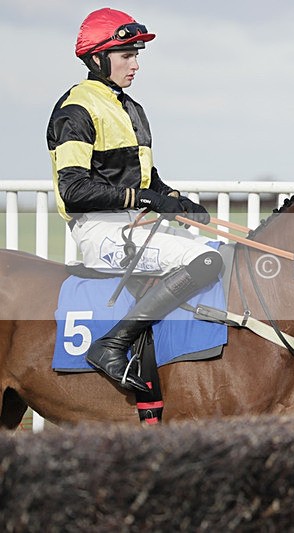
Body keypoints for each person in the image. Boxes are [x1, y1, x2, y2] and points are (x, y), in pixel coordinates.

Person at [47, 8, 222, 393]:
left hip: (133, 229)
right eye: (127, 54)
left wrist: (178, 202)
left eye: (136, 54)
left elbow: (148, 180)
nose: (136, 64)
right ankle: (112, 345)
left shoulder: (130, 108)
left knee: (218, 249)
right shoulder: (75, 110)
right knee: (205, 260)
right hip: (100, 233)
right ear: (97, 58)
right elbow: (73, 191)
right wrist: (143, 198)